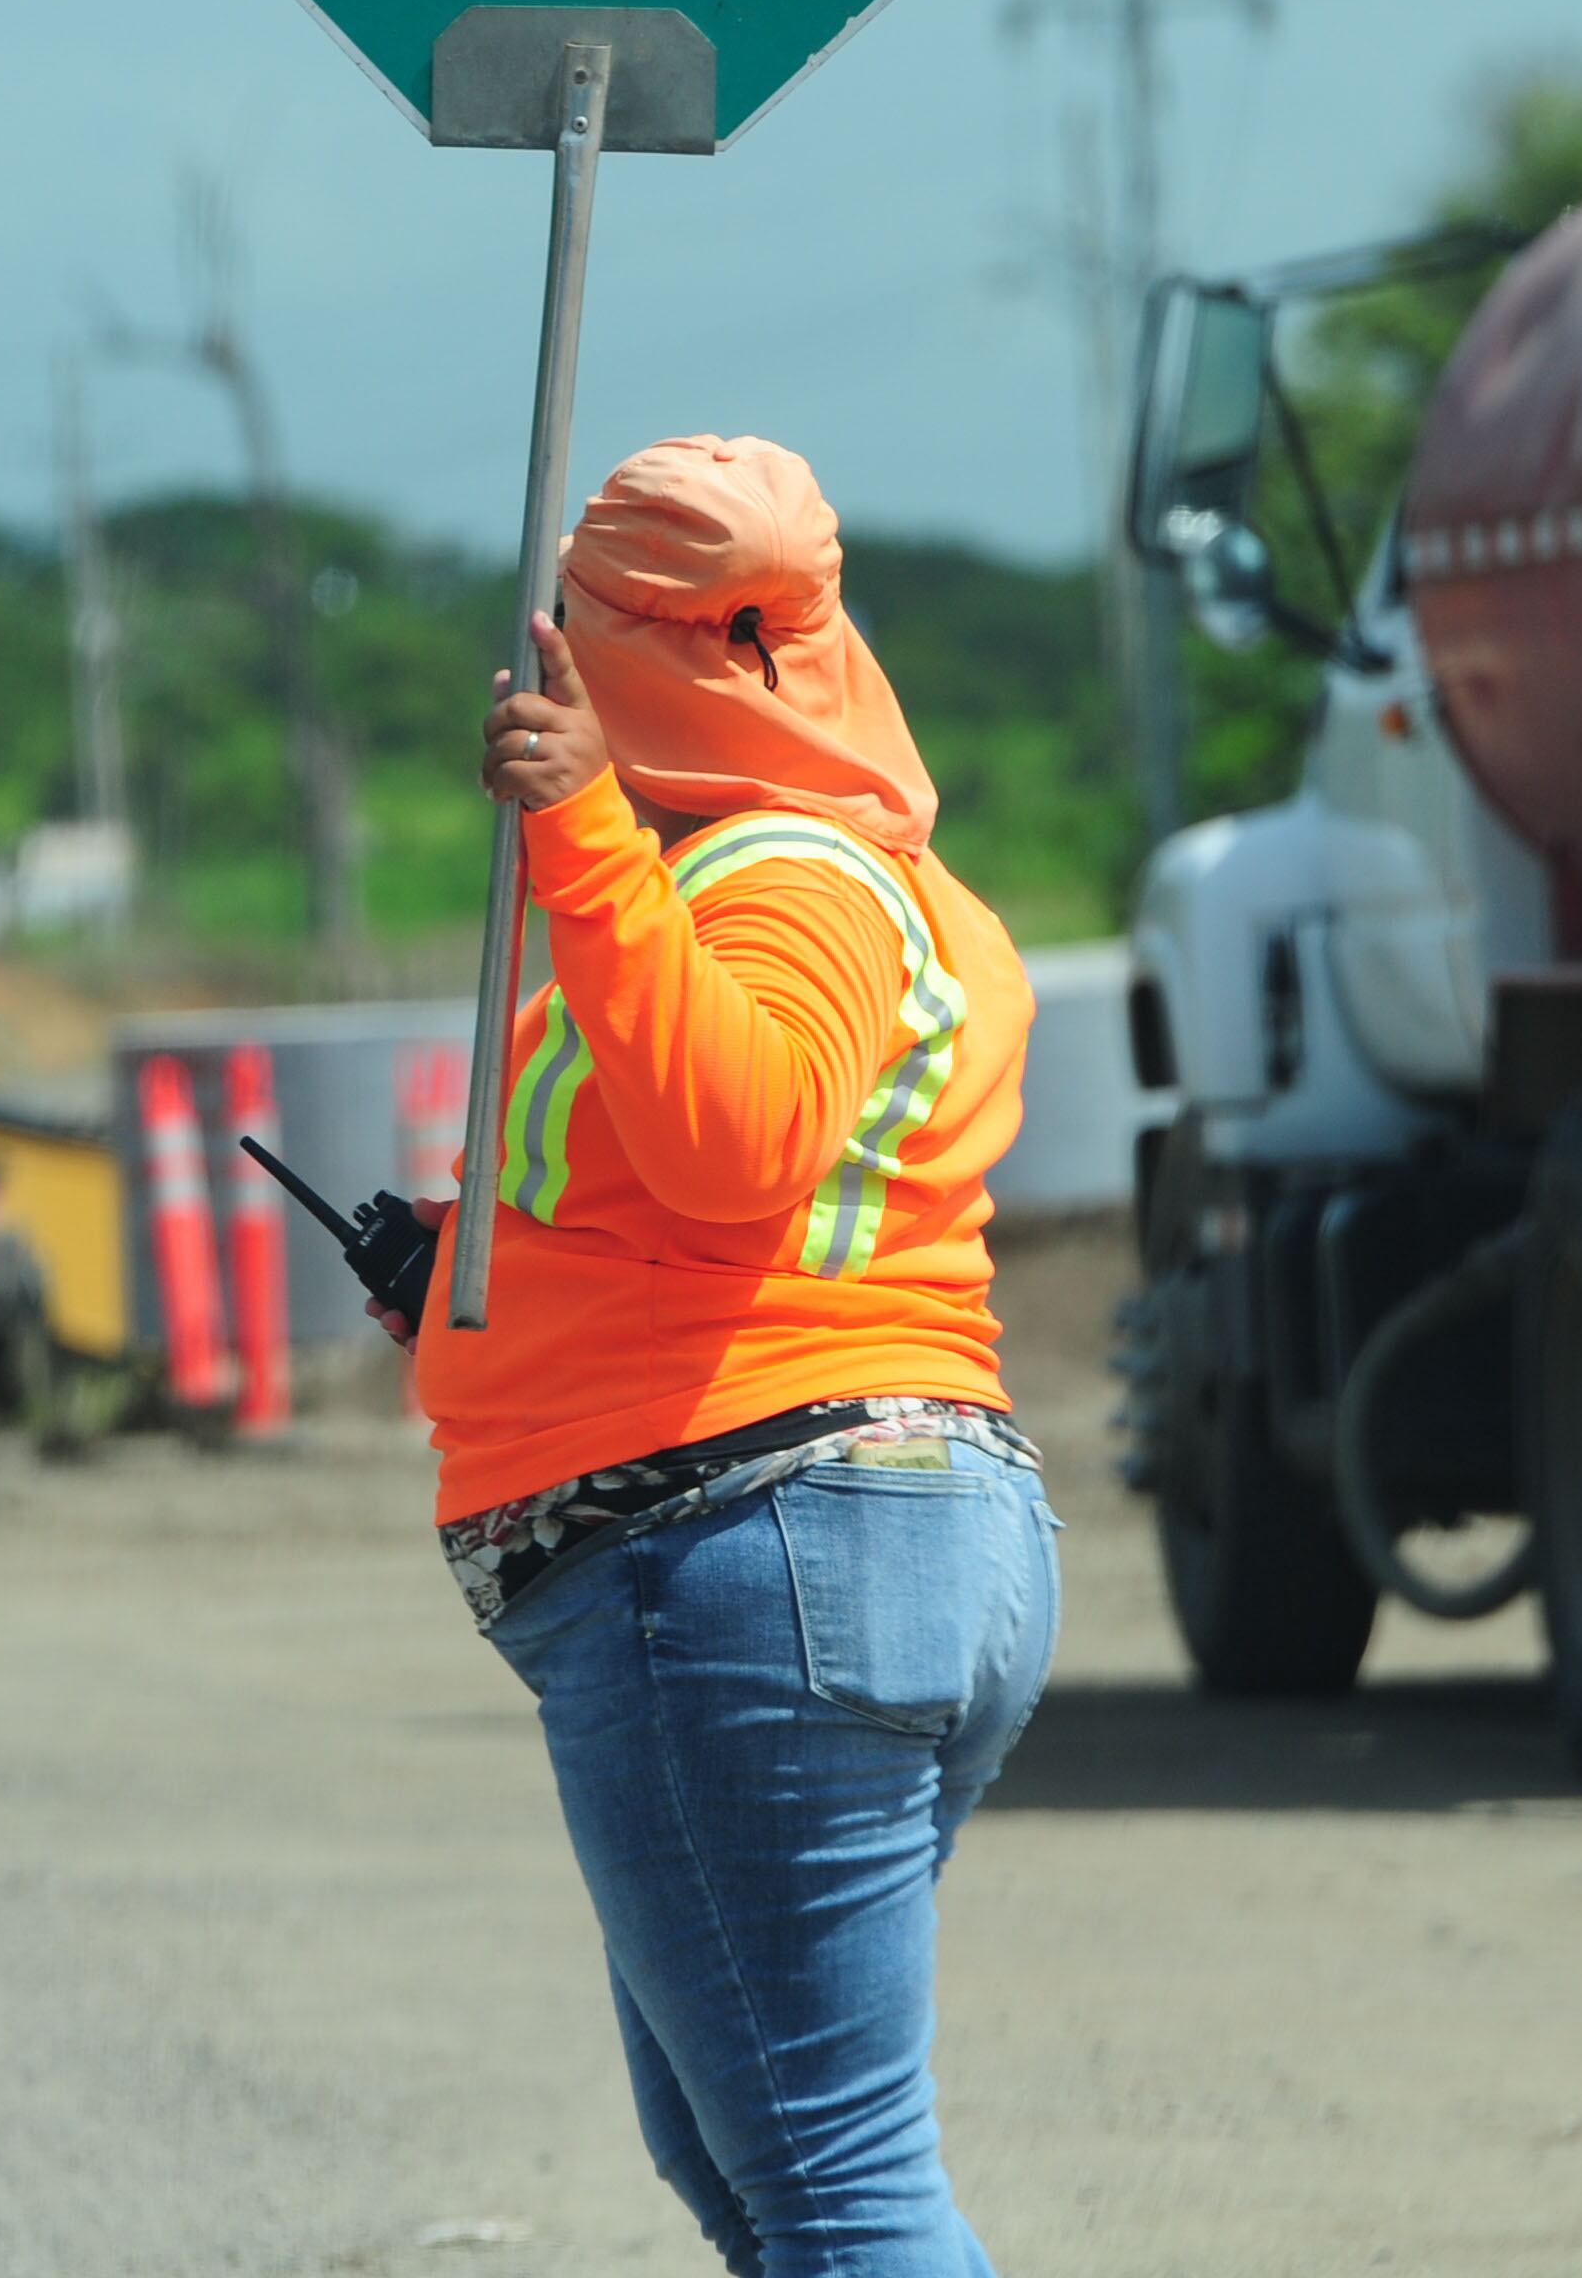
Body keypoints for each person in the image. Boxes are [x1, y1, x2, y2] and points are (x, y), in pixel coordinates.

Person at [382, 433, 1054, 2278]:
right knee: (756, 2166)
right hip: (838, 1535)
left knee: (833, 2183)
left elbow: (737, 1143)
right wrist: (474, 1280)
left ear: (613, 651)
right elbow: (720, 1206)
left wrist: (587, 837)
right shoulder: (842, 876)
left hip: (755, 1548)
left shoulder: (785, 876)